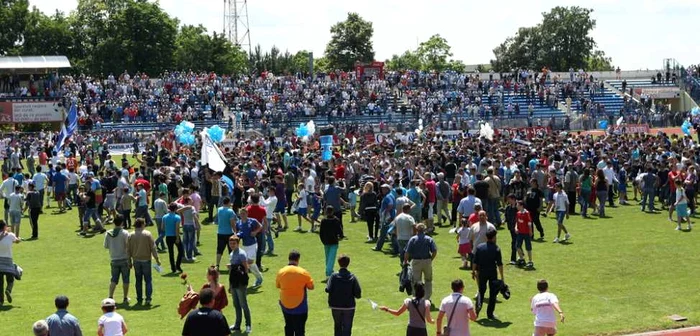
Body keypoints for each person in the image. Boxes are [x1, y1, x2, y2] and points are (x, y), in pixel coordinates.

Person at [276, 250, 314, 336]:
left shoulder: (281, 272)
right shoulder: (303, 272)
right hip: (300, 306)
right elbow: (311, 287)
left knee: (288, 327)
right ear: (298, 259)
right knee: (300, 330)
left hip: (285, 304)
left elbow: (278, 285)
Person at [472, 227, 504, 319]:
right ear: (493, 237)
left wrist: (473, 271)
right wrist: (502, 277)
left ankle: (477, 312)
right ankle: (490, 314)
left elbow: (475, 261)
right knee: (492, 293)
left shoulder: (479, 247)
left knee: (481, 291)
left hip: (481, 272)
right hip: (492, 273)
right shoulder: (496, 248)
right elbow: (500, 264)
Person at [127, 218, 161, 305]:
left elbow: (128, 250)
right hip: (146, 260)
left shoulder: (131, 235)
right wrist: (157, 259)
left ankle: (139, 299)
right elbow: (153, 248)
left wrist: (129, 261)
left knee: (138, 280)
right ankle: (148, 299)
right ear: (142, 224)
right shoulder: (147, 234)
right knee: (148, 280)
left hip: (136, 260)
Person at [326, 254, 362, 336]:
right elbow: (358, 294)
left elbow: (328, 289)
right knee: (347, 328)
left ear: (339, 263)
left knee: (337, 326)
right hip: (349, 306)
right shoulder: (352, 277)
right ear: (348, 263)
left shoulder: (333, 276)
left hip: (335, 306)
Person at [404, 223, 437, 302]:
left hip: (416, 261)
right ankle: (427, 298)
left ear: (417, 230)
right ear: (424, 230)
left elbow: (407, 252)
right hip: (427, 261)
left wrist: (405, 261)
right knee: (428, 280)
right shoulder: (429, 239)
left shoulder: (413, 239)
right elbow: (434, 251)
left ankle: (416, 297)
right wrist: (430, 259)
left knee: (416, 280)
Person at [104, 215, 130, 304]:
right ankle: (125, 297)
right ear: (122, 223)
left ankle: (110, 296)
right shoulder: (125, 233)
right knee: (125, 279)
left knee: (114, 279)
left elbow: (106, 246)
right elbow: (128, 246)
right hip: (124, 259)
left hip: (114, 259)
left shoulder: (108, 233)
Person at [227, 236, 251, 333]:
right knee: (236, 305)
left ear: (238, 243)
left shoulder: (241, 254)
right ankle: (237, 325)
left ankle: (248, 325)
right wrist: (230, 285)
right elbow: (231, 271)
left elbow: (246, 268)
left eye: (234, 243)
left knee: (243, 304)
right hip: (233, 282)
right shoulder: (232, 253)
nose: (232, 245)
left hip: (240, 283)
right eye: (231, 243)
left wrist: (245, 282)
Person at [236, 207, 264, 286]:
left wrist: (255, 232)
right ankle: (258, 277)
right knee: (249, 264)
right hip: (245, 245)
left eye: (244, 214)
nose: (242, 215)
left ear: (247, 214)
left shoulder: (252, 221)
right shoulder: (239, 223)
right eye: (241, 214)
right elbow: (237, 232)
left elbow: (260, 226)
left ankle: (259, 277)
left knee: (249, 262)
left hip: (252, 244)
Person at [319, 205, 343, 279]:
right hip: (334, 241)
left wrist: (323, 241)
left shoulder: (323, 220)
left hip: (326, 241)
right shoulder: (336, 220)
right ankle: (328, 273)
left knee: (328, 257)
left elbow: (321, 233)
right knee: (331, 258)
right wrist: (341, 237)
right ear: (333, 212)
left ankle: (330, 271)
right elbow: (340, 230)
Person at [0, 219, 20, 305]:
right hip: (8, 260)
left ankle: (1, 301)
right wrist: (18, 238)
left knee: (0, 283)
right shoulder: (10, 235)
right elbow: (17, 241)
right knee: (10, 280)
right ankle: (8, 290)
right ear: (5, 227)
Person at [215, 197, 237, 269]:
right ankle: (232, 263)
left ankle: (217, 265)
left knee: (219, 249)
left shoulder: (219, 209)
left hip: (220, 232)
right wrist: (235, 232)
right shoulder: (230, 211)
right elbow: (232, 222)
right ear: (228, 202)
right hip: (229, 232)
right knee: (231, 249)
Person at [163, 202, 184, 273]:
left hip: (168, 236)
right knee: (181, 251)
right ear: (175, 209)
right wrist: (177, 238)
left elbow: (162, 227)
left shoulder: (164, 217)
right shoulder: (177, 217)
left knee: (171, 253)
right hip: (175, 236)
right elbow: (177, 228)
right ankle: (178, 265)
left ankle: (173, 268)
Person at [515, 200, 534, 267]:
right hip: (520, 233)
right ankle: (522, 258)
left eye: (517, 205)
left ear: (521, 206)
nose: (516, 206)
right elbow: (517, 222)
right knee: (517, 246)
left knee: (528, 247)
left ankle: (530, 261)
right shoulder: (518, 213)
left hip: (526, 233)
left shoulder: (526, 213)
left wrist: (530, 231)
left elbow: (529, 223)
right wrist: (516, 228)